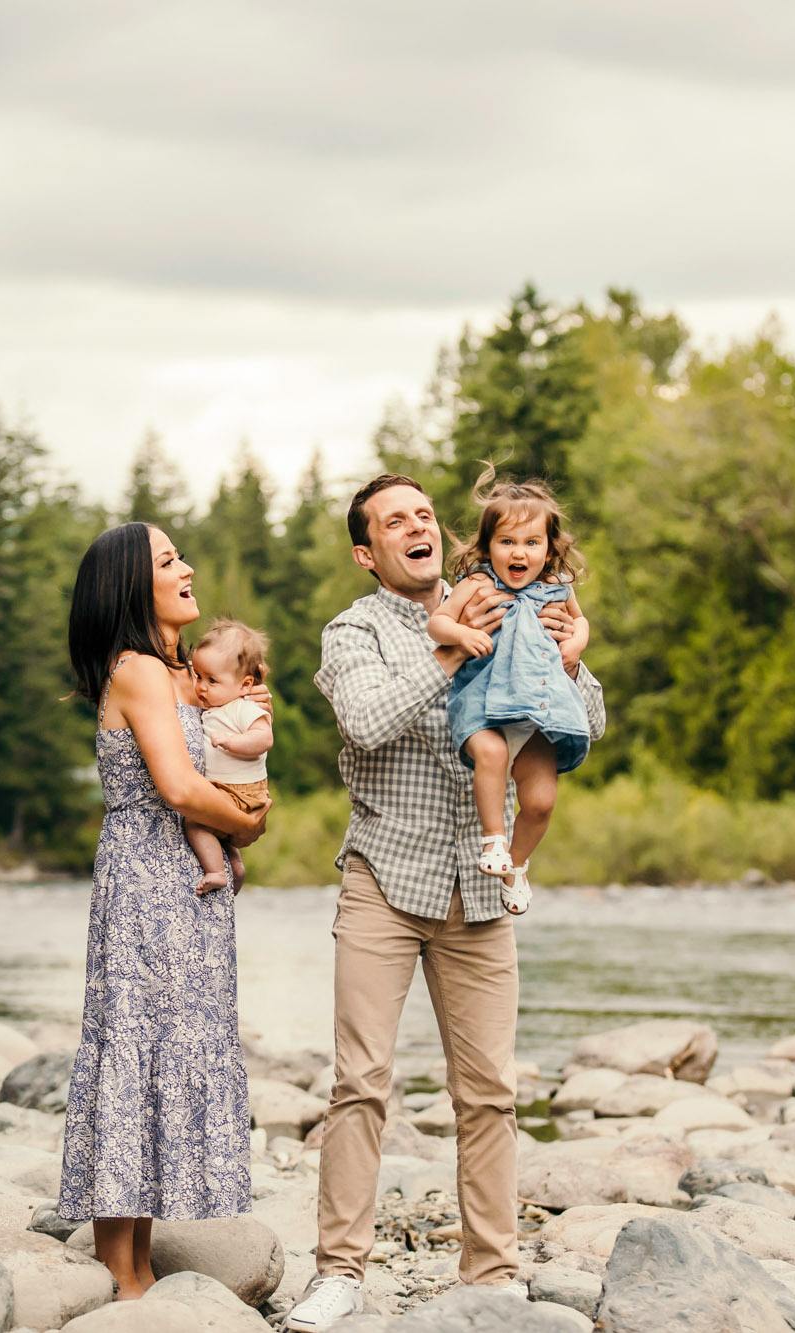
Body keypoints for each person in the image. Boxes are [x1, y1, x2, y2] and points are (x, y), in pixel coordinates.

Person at [286, 474, 606, 1331]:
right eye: (395, 521)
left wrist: (570, 663)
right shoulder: (352, 630)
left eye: (424, 513)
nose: (416, 526)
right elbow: (363, 719)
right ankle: (339, 1273)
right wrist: (449, 649)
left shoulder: (514, 594)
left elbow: (588, 721)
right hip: (386, 876)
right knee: (361, 1081)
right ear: (369, 552)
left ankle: (491, 1274)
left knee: (491, 1091)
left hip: (481, 877)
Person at [59, 522, 271, 1300]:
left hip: (191, 884)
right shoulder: (139, 669)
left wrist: (250, 744)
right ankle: (120, 1270)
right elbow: (180, 790)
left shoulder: (185, 677)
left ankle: (141, 1261)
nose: (188, 568)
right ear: (129, 588)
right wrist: (246, 822)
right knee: (133, 1046)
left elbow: (229, 766)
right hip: (148, 880)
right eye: (168, 560)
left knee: (168, 1048)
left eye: (183, 553)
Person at [426, 469, 592, 915]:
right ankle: (494, 839)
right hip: (482, 708)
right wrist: (460, 636)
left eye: (531, 543)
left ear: (549, 549)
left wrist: (574, 645)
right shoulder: (477, 586)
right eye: (507, 542)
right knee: (493, 756)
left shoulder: (557, 589)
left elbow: (580, 623)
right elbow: (437, 622)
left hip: (538, 713)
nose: (519, 552)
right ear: (488, 548)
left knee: (540, 801)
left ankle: (516, 865)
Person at [184, 618, 274, 892]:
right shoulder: (216, 707)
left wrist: (232, 742)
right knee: (216, 830)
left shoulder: (243, 708)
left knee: (195, 822)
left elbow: (264, 738)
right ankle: (234, 867)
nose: (201, 687)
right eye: (198, 676)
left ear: (245, 684)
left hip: (241, 792)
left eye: (212, 680)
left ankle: (216, 871)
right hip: (225, 789)